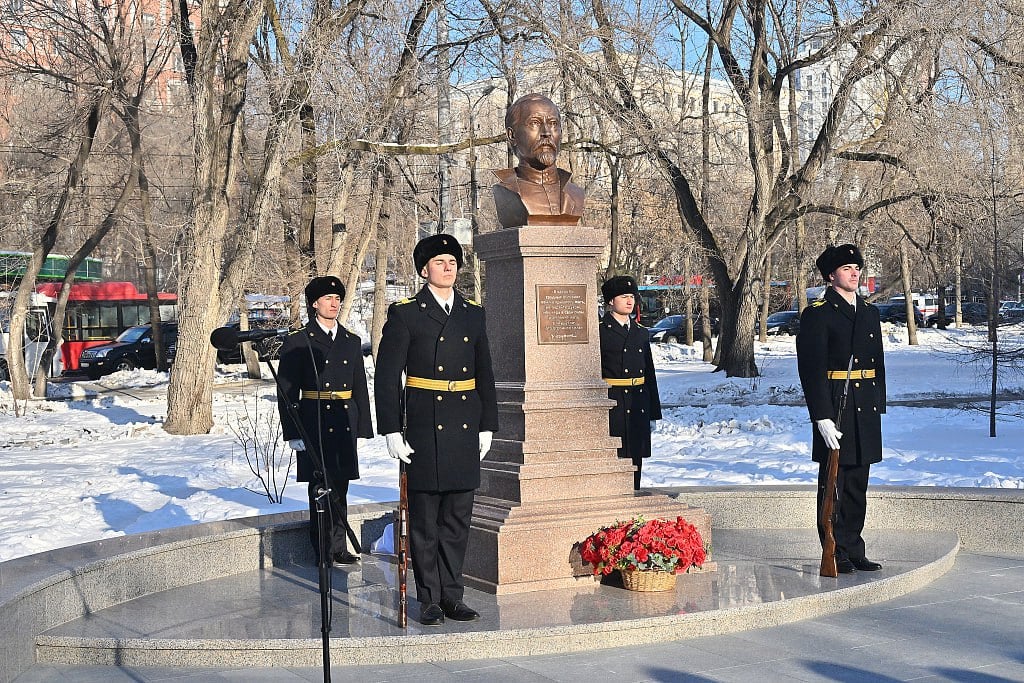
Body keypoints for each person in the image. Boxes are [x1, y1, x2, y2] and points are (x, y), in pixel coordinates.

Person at [374, 234, 499, 626]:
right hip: (425, 427)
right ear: (424, 269)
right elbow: (387, 375)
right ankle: (428, 597)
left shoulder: (473, 312)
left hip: (464, 427)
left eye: (453, 261)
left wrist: (487, 425)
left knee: (458, 520)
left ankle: (451, 595)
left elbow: (485, 373)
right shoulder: (406, 313)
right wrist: (392, 430)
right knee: (425, 520)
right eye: (440, 261)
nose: (448, 267)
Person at [797, 244, 886, 574]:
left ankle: (853, 545)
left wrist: (879, 404)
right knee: (834, 481)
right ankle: (833, 548)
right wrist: (820, 415)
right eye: (847, 268)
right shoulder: (818, 314)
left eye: (857, 267)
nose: (854, 272)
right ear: (831, 275)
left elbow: (877, 363)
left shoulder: (868, 312)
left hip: (864, 406)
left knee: (857, 483)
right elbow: (811, 368)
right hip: (836, 403)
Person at [277, 276, 372, 566]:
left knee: (340, 485)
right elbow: (287, 390)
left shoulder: (351, 341)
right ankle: (322, 551)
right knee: (319, 487)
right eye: (328, 298)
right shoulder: (298, 341)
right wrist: (293, 431)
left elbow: (359, 386)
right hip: (313, 418)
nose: (334, 303)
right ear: (315, 303)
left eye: (337, 298)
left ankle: (339, 546)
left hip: (343, 418)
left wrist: (363, 426)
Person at [599, 275, 662, 491]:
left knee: (635, 459)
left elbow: (650, 374)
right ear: (610, 301)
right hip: (613, 401)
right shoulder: (599, 332)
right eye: (623, 296)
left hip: (638, 403)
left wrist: (653, 413)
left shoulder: (640, 332)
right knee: (615, 458)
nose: (629, 301)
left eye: (632, 296)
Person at [492, 93, 585, 228]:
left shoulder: (576, 194)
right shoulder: (506, 192)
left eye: (553, 124)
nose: (547, 132)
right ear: (512, 135)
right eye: (534, 123)